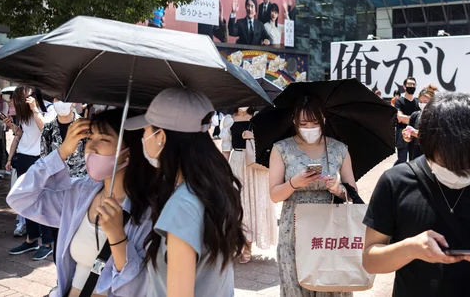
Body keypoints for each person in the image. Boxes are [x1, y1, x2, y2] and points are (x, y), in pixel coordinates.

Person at [362, 93, 470, 296]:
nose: (459, 168)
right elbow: (370, 260)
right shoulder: (395, 182)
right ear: (429, 142)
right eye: (448, 158)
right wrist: (410, 248)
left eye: (469, 158)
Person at [7, 109, 156, 296]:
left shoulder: (147, 212)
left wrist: (118, 237)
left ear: (129, 151)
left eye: (103, 140)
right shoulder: (80, 193)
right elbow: (20, 198)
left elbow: (140, 286)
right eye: (90, 138)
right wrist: (61, 153)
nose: (91, 147)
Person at [127, 88, 244, 297]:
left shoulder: (183, 205)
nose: (143, 138)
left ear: (160, 136)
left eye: (145, 131)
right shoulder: (213, 190)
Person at [268, 96, 357, 297]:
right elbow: (274, 195)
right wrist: (293, 183)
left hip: (331, 230)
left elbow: (352, 192)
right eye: (304, 123)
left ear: (323, 119)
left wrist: (337, 188)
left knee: (331, 284)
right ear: (294, 121)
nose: (310, 127)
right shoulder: (281, 148)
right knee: (296, 284)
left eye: (315, 122)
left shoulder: (339, 149)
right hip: (294, 230)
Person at [4, 86, 56, 260]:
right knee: (27, 200)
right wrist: (13, 126)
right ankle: (31, 239)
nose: (21, 103)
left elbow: (46, 131)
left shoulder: (49, 108)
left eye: (23, 98)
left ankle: (47, 243)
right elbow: (22, 133)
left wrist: (35, 109)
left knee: (42, 201)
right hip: (24, 157)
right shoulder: (24, 113)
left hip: (40, 159)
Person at [220, 107, 277, 263]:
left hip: (254, 164)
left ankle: (248, 247)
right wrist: (222, 171)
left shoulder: (258, 116)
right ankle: (238, 242)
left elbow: (271, 139)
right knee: (239, 204)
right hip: (237, 163)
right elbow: (226, 149)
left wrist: (254, 136)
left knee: (255, 203)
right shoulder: (228, 120)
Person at [41, 100, 87, 178]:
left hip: (79, 183)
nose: (61, 102)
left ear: (74, 102)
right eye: (57, 99)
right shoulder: (48, 129)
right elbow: (44, 159)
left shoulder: (84, 127)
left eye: (65, 100)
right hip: (56, 183)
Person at [402, 84, 438, 161]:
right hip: (415, 155)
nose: (422, 104)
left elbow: (434, 136)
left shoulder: (437, 117)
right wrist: (407, 136)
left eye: (425, 102)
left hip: (431, 156)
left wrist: (416, 133)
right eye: (420, 101)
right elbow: (409, 138)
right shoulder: (415, 115)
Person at [394, 77, 420, 165]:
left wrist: (407, 119)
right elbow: (400, 117)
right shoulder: (399, 101)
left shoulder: (418, 102)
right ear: (404, 87)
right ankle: (394, 175)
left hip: (415, 135)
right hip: (403, 134)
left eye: (414, 85)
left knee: (414, 161)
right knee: (402, 160)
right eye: (409, 84)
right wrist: (414, 119)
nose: (412, 86)